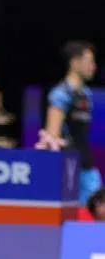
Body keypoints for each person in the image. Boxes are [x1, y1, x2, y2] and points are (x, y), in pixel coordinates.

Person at [37, 40, 102, 203]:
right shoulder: (61, 94)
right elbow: (52, 136)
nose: (93, 66)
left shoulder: (85, 94)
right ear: (75, 63)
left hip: (86, 166)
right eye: (89, 61)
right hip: (69, 168)